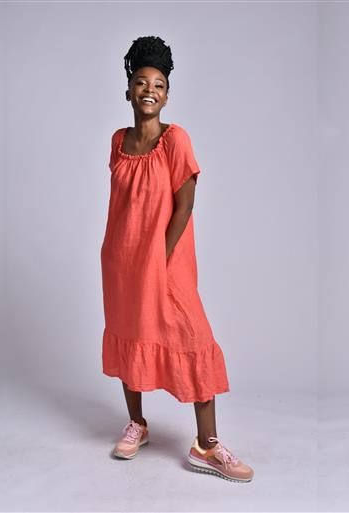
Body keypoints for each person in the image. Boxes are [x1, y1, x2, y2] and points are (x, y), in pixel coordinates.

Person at [100, 35, 254, 482]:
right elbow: (123, 206)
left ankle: (207, 445)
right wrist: (128, 258)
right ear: (128, 90)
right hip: (120, 261)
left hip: (165, 263)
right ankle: (137, 424)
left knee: (193, 337)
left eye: (159, 85)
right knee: (129, 331)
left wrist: (160, 258)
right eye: (141, 82)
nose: (149, 90)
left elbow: (184, 204)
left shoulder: (175, 140)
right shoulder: (117, 141)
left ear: (167, 96)